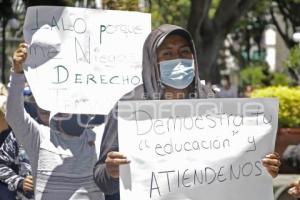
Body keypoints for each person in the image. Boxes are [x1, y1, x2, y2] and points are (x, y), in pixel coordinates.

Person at [93, 24, 281, 200]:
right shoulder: (129, 107)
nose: (178, 60)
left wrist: (263, 168)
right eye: (167, 53)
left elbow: (238, 167)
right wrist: (111, 172)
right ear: (152, 60)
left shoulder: (213, 102)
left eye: (184, 52)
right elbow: (102, 180)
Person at [6, 43, 105, 200]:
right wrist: (18, 74)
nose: (74, 110)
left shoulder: (99, 138)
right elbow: (14, 116)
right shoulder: (40, 137)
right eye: (69, 105)